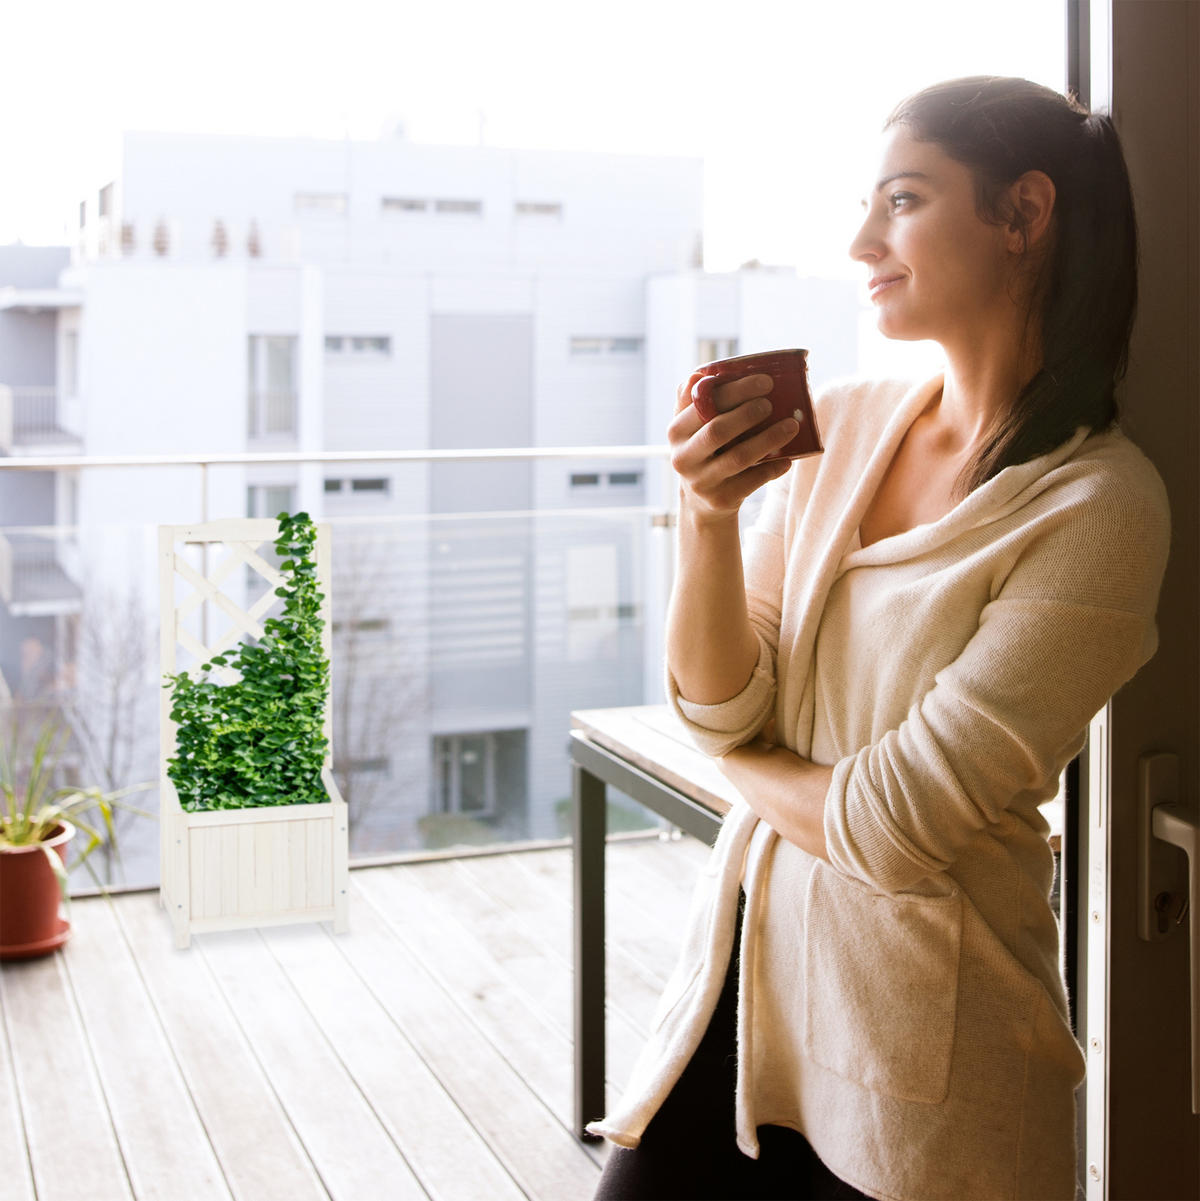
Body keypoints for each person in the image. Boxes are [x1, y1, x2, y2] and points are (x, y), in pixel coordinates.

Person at [588, 76, 1171, 1201]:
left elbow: (892, 826)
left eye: (901, 200)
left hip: (932, 1070)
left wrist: (738, 769)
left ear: (1024, 214)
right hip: (742, 989)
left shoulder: (1098, 507)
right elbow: (721, 703)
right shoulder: (845, 425)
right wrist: (708, 522)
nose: (863, 240)